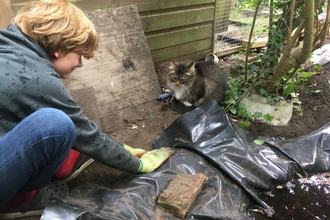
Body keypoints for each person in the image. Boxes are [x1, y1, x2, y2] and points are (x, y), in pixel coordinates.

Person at [0, 0, 174, 218]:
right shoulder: (37, 79)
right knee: (55, 123)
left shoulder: (9, 49)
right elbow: (88, 136)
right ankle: (20, 201)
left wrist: (119, 146)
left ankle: (60, 163)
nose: (80, 63)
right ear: (59, 48)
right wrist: (138, 164)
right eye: (79, 55)